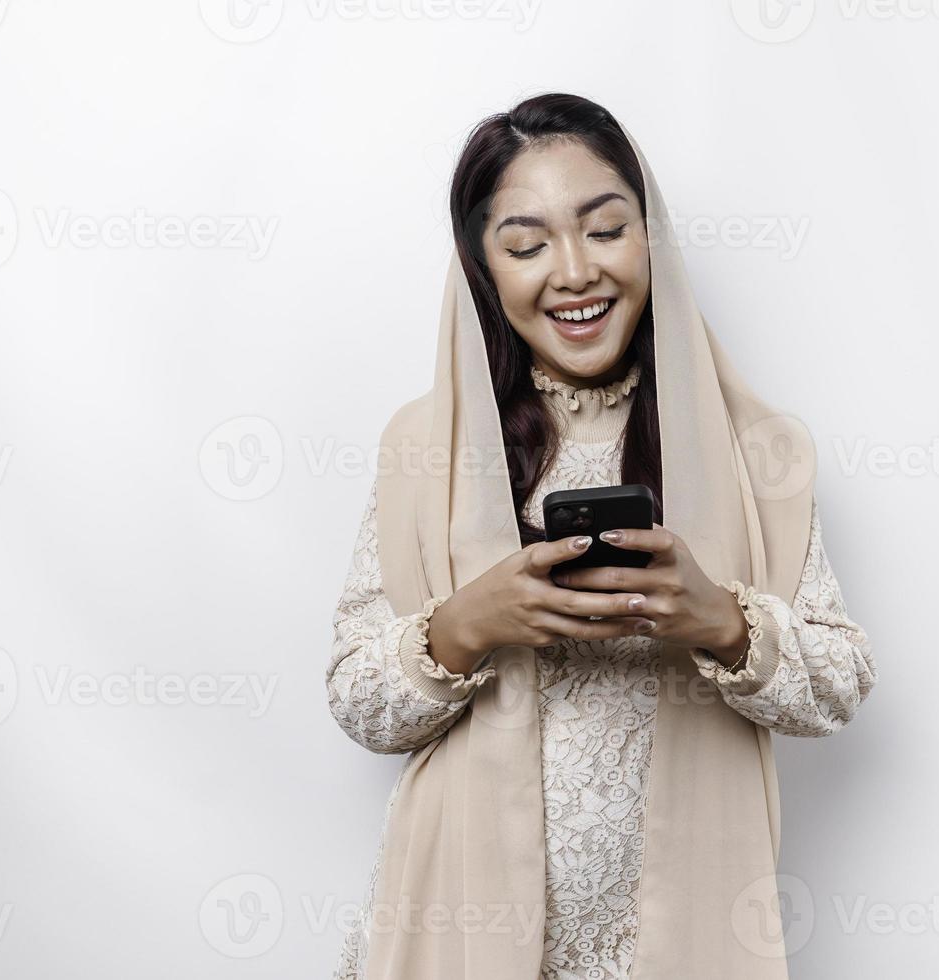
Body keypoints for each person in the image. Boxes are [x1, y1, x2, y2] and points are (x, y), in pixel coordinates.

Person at [326, 92, 878, 980]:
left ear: (650, 238)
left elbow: (841, 685)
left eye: (605, 229)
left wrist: (722, 622)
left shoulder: (759, 451)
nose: (574, 271)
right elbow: (357, 700)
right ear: (483, 269)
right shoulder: (425, 446)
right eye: (526, 245)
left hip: (682, 935)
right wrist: (470, 623)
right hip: (459, 927)